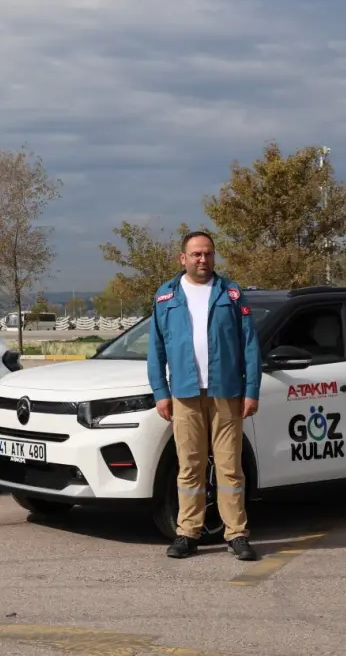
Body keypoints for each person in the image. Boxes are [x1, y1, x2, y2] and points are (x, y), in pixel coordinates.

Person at [146, 231, 261, 561]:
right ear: (182, 258)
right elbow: (156, 348)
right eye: (196, 254)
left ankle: (236, 534)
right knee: (190, 467)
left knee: (229, 467)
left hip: (227, 393)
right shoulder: (166, 296)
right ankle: (187, 533)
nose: (203, 259)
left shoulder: (231, 293)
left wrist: (251, 390)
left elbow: (249, 345)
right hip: (185, 393)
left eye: (208, 253)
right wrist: (160, 392)